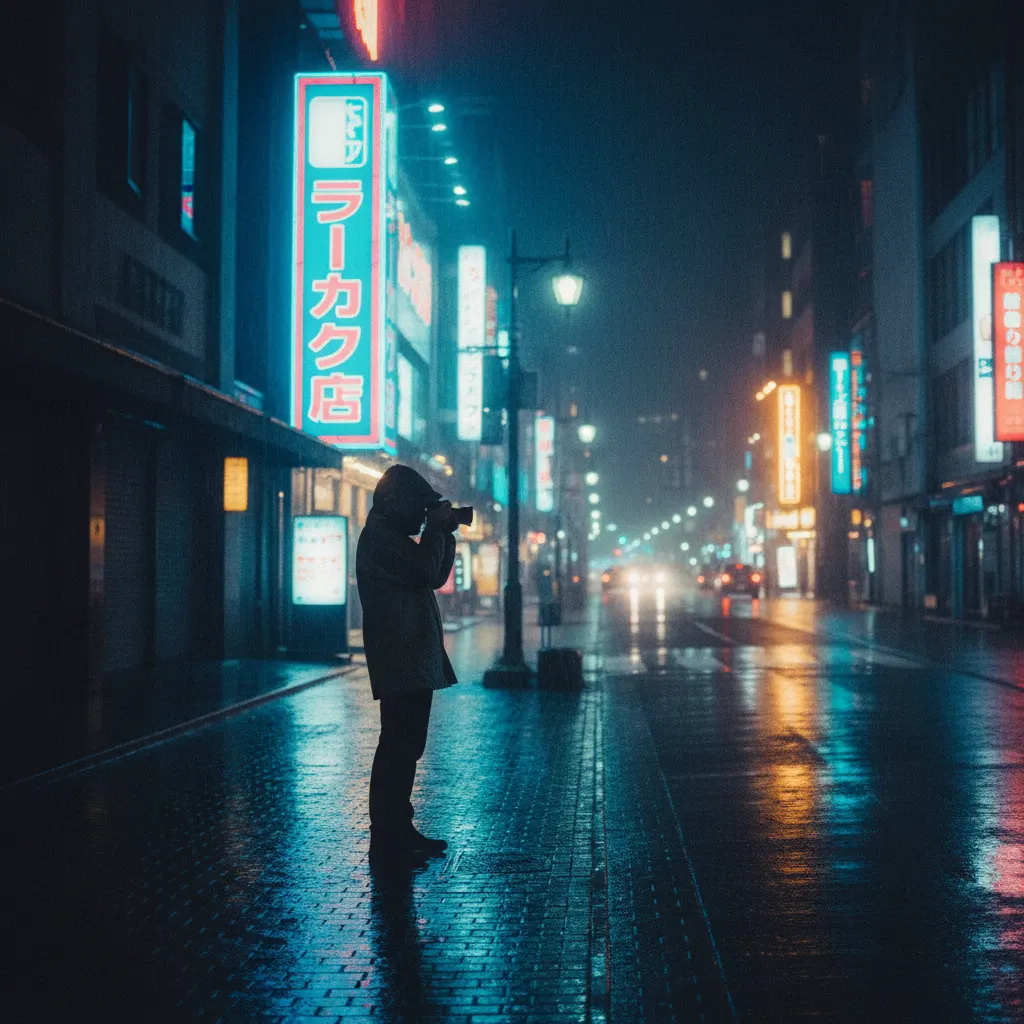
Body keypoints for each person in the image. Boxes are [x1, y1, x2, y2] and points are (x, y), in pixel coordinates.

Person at [356, 464, 459, 868]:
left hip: (411, 655)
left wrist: (443, 531)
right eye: (418, 508)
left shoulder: (393, 536)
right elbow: (423, 569)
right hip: (399, 655)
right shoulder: (381, 539)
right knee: (398, 746)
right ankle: (387, 836)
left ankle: (400, 828)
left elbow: (433, 575)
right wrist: (436, 531)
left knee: (407, 746)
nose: (420, 517)